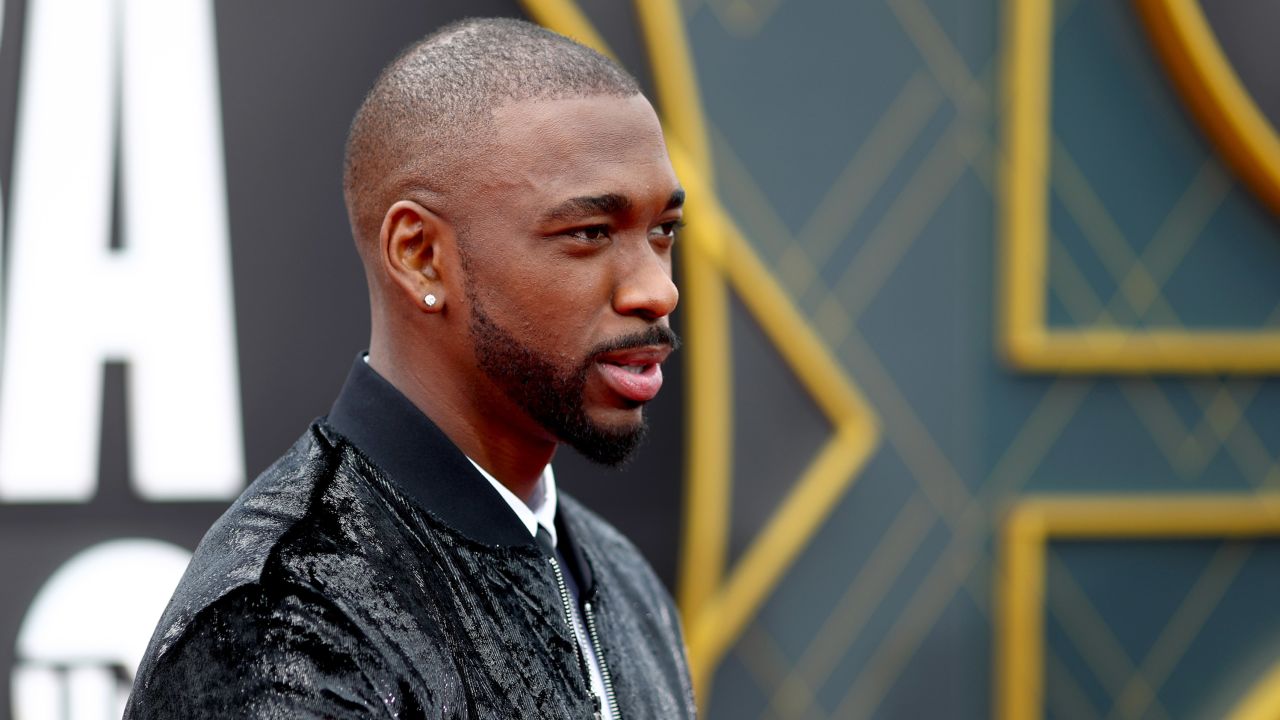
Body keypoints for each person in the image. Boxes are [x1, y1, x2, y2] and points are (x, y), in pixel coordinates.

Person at [125, 17, 695, 719]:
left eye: (663, 230)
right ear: (421, 255)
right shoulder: (282, 624)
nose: (657, 290)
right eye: (589, 233)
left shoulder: (623, 583)